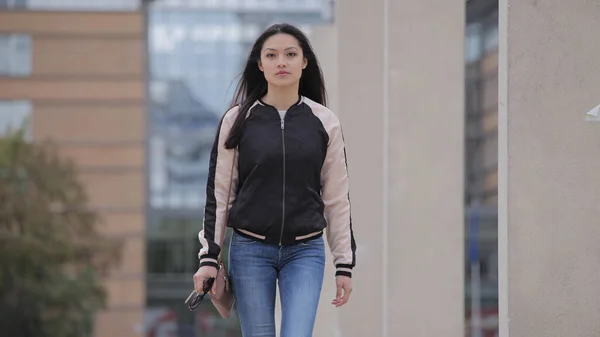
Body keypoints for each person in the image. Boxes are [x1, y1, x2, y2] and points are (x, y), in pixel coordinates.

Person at [193, 23, 357, 337]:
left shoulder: (324, 122)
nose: (281, 61)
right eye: (272, 55)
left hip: (305, 251)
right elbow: (219, 193)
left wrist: (344, 263)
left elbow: (337, 198)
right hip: (250, 249)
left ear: (304, 62)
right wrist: (209, 257)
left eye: (290, 54)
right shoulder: (237, 120)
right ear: (260, 64)